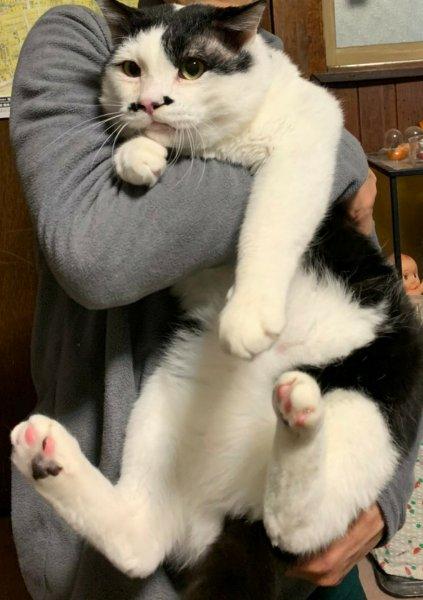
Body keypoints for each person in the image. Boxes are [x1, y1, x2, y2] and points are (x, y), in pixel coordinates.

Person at [9, 4, 421, 599]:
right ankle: (138, 524)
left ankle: (296, 499)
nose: (152, 97)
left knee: (354, 392)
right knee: (180, 380)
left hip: (310, 484)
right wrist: (329, 156)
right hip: (116, 573)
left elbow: (376, 273)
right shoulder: (79, 38)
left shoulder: (258, 52)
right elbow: (95, 253)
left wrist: (386, 500)